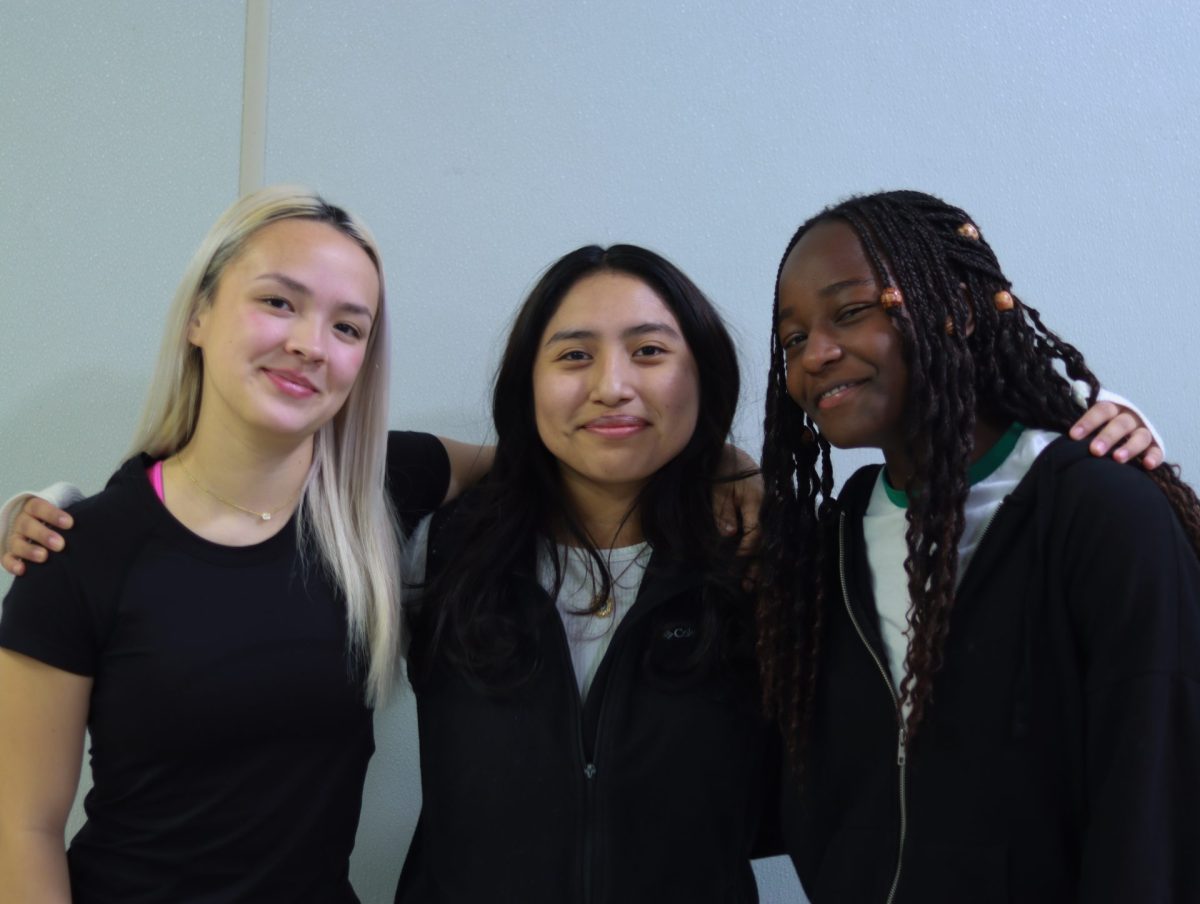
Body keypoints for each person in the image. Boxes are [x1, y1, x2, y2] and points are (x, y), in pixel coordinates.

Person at [0, 186, 459, 902]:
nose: (311, 344)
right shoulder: (77, 550)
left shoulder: (380, 490)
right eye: (278, 302)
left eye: (348, 327)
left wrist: (700, 469)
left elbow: (549, 461)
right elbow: (20, 828)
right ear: (199, 315)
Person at [756, 190, 1200, 902]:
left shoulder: (1102, 514)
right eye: (793, 339)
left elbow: (1156, 807)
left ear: (958, 306)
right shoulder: (822, 554)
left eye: (850, 312)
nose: (817, 354)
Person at [395, 244, 775, 904]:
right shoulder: (441, 547)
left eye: (649, 352)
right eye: (574, 355)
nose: (611, 386)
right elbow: (328, 462)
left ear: (704, 375)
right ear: (527, 385)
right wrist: (505, 461)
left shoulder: (759, 557)